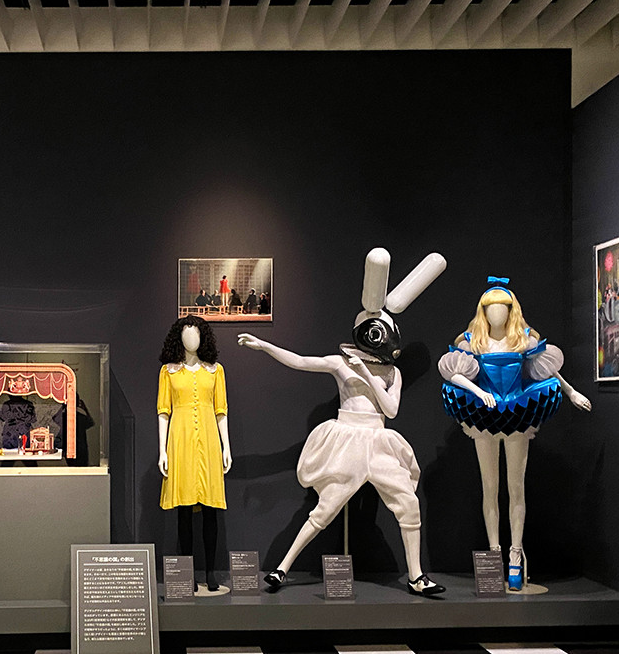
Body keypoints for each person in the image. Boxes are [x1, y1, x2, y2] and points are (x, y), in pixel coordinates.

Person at [238, 249, 447, 597]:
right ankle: (282, 569)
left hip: (378, 440)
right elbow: (301, 362)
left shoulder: (392, 372)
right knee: (325, 509)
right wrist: (265, 346)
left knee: (408, 505)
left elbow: (391, 410)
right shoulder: (340, 363)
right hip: (347, 439)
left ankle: (416, 576)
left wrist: (369, 375)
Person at [439, 277, 590, 590]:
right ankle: (494, 553)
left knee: (516, 487)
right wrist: (478, 392)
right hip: (484, 413)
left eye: (502, 308)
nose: (496, 313)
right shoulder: (471, 340)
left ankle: (516, 555)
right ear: (483, 311)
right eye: (490, 308)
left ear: (511, 310)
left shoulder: (524, 338)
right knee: (489, 487)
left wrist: (571, 391)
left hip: (518, 411)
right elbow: (452, 372)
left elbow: (548, 368)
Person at [158, 316, 232, 593]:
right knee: (184, 511)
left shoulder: (215, 371)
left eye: (196, 334)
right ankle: (187, 574)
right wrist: (162, 450)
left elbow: (221, 411)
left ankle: (211, 572)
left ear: (204, 337)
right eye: (187, 334)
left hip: (209, 442)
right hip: (180, 442)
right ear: (178, 338)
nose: (192, 339)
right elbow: (163, 412)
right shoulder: (168, 372)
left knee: (211, 510)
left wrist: (226, 446)